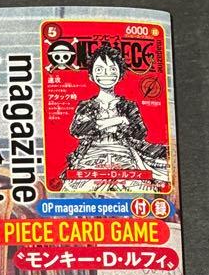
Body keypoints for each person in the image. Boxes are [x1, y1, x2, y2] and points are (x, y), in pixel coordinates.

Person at [61, 44, 168, 193]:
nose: (106, 74)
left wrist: (105, 125)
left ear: (120, 74)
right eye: (99, 70)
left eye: (112, 69)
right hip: (91, 155)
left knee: (139, 189)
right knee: (74, 191)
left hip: (123, 154)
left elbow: (140, 133)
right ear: (91, 75)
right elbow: (76, 130)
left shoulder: (128, 105)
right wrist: (118, 121)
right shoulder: (86, 105)